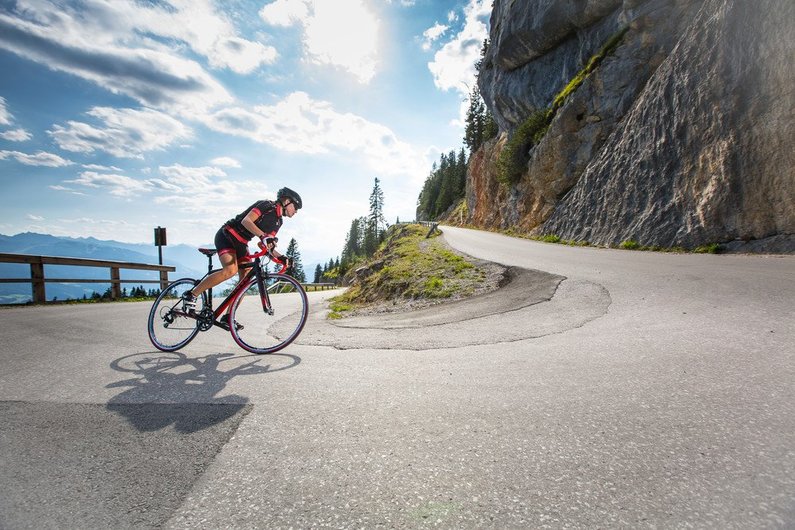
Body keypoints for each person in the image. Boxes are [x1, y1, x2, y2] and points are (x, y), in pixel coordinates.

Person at [182, 187, 302, 326]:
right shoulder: (266, 205)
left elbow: (266, 245)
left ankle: (228, 317)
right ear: (286, 201)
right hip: (228, 234)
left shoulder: (278, 222)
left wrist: (282, 258)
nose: (296, 211)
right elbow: (247, 221)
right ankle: (191, 294)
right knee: (230, 270)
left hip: (242, 243)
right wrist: (263, 236)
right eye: (296, 207)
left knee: (244, 281)